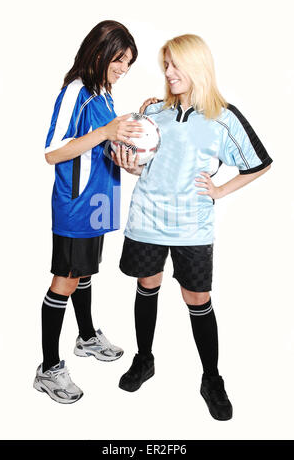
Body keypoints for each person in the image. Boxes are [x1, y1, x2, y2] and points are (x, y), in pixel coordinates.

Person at [112, 34, 272, 421]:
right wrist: (129, 164)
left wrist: (218, 190)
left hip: (191, 226)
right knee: (146, 286)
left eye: (175, 64)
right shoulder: (155, 113)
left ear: (197, 65)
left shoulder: (223, 116)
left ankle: (212, 379)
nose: (168, 72)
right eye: (165, 65)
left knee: (197, 299)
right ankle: (144, 360)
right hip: (146, 219)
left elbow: (259, 163)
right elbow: (139, 163)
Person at [33, 20, 143, 404]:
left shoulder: (105, 94)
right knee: (64, 280)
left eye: (128, 62)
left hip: (101, 201)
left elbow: (102, 146)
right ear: (99, 52)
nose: (123, 69)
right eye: (120, 59)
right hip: (75, 204)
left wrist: (126, 157)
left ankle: (86, 336)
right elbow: (53, 151)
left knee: (84, 272)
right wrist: (106, 133)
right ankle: (48, 368)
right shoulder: (76, 91)